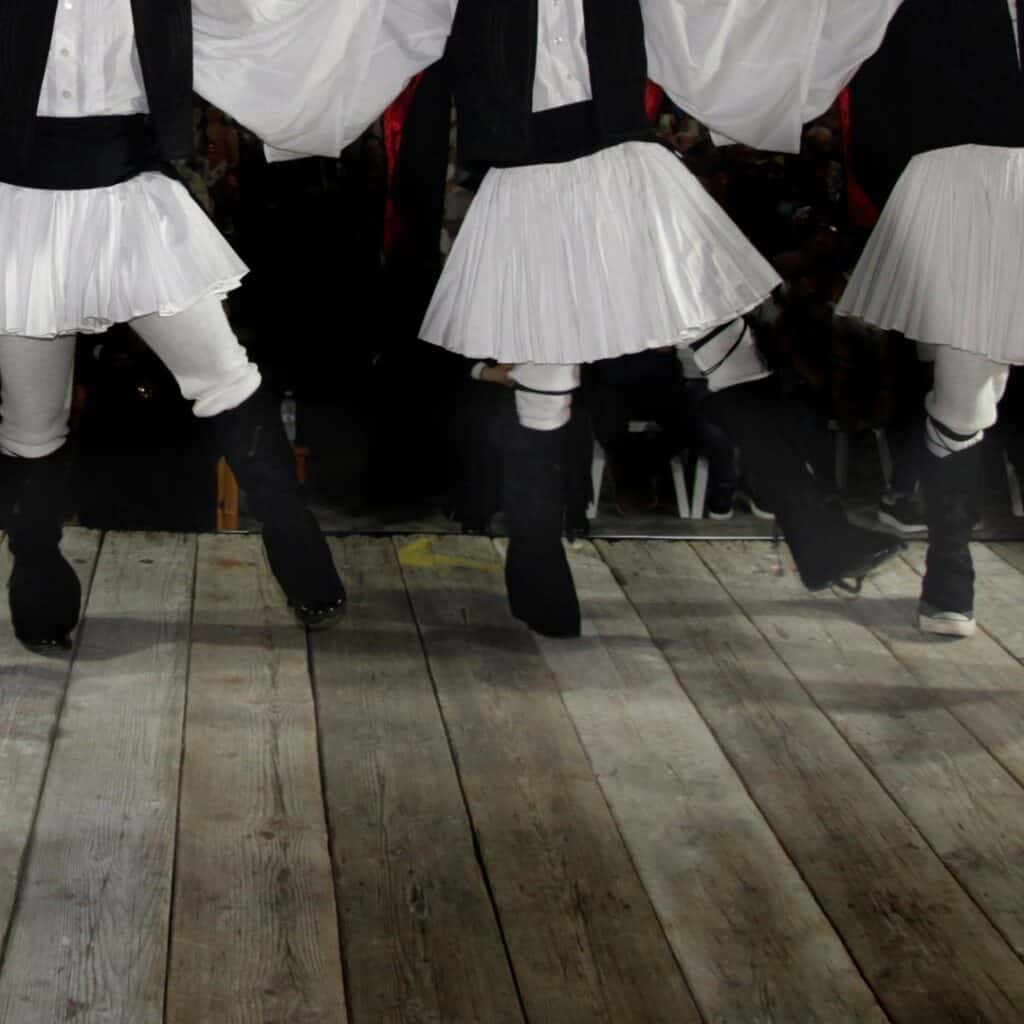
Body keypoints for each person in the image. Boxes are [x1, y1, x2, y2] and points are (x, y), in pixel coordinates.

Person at [195, 0, 905, 638]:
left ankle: (816, 532)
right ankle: (536, 570)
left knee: (728, 347)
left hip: (624, 169)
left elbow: (710, 23)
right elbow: (360, 25)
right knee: (546, 380)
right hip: (530, 183)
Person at [0, 2, 346, 654]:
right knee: (31, 424)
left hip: (130, 198)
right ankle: (39, 588)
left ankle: (302, 558)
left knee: (225, 376)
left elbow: (252, 17)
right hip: (20, 208)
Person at [838, 0, 1024, 637]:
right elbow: (877, 109)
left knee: (984, 387)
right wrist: (922, 202)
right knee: (964, 389)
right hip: (964, 193)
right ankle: (950, 567)